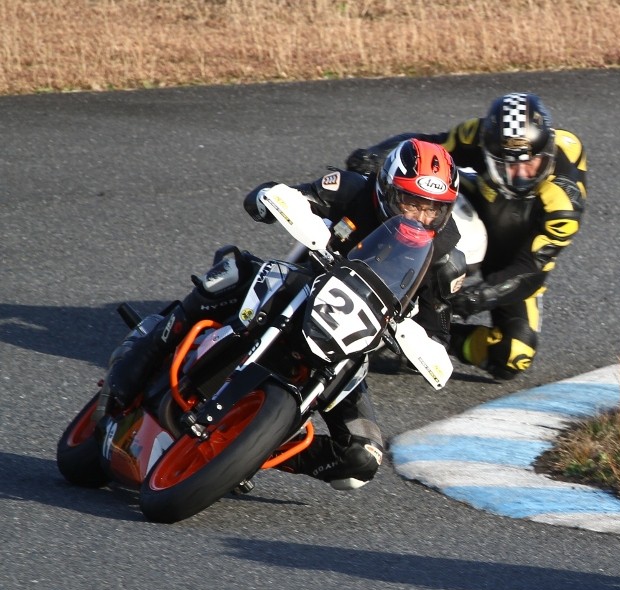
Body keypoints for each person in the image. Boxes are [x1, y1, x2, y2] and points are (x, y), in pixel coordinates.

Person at [102, 139, 463, 489]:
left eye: (433, 209)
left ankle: (251, 452)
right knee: (232, 271)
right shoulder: (351, 189)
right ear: (386, 190)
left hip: (351, 340)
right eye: (411, 203)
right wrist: (271, 199)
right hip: (300, 287)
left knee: (360, 460)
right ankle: (144, 351)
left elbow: (437, 332)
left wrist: (418, 345)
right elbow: (281, 196)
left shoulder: (445, 254)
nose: (421, 217)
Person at [345, 91, 587, 380]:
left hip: (516, 257)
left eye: (531, 163)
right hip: (472, 210)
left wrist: (479, 297)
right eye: (508, 165)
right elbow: (425, 148)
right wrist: (375, 155)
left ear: (546, 150)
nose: (521, 175)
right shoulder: (479, 134)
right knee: (416, 207)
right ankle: (357, 260)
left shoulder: (564, 203)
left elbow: (532, 270)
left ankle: (429, 336)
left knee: (514, 355)